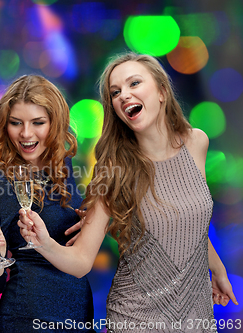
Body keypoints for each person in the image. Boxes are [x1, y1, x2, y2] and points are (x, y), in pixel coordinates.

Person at [18, 53, 239, 332]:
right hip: (136, 318)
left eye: (134, 83)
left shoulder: (197, 142)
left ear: (161, 91)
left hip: (197, 316)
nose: (124, 95)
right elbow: (81, 262)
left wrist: (217, 270)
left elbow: (188, 222)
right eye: (115, 92)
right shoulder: (114, 171)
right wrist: (44, 241)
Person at [0, 75, 95, 332]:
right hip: (25, 318)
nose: (26, 133)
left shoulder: (72, 170)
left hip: (79, 316)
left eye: (38, 122)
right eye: (16, 123)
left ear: (55, 123)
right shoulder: (1, 185)